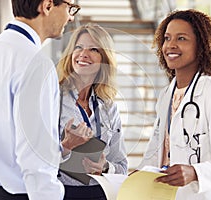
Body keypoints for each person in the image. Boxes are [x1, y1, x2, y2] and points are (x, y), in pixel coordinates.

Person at [0, 0, 81, 199]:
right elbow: (36, 161)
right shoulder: (37, 63)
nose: (71, 17)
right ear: (48, 5)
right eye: (70, 8)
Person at [137, 9, 211, 200]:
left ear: (202, 45)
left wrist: (195, 172)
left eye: (181, 39)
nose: (170, 45)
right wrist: (138, 175)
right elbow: (157, 151)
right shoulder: (166, 95)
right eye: (167, 38)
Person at [57, 23, 128, 200]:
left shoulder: (108, 107)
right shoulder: (53, 98)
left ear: (104, 59)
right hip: (61, 193)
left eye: (93, 49)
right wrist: (66, 146)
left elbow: (121, 166)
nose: (83, 54)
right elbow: (34, 159)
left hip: (100, 194)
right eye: (78, 47)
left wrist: (105, 167)